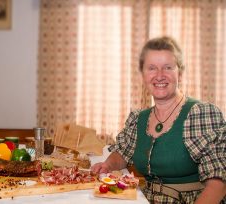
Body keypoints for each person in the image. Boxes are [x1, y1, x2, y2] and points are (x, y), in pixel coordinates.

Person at [91, 36, 226, 203]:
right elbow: (123, 153)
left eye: (168, 68)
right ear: (143, 75)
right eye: (152, 68)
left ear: (180, 73)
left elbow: (218, 184)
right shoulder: (138, 119)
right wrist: (108, 165)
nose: (159, 76)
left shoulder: (200, 114)